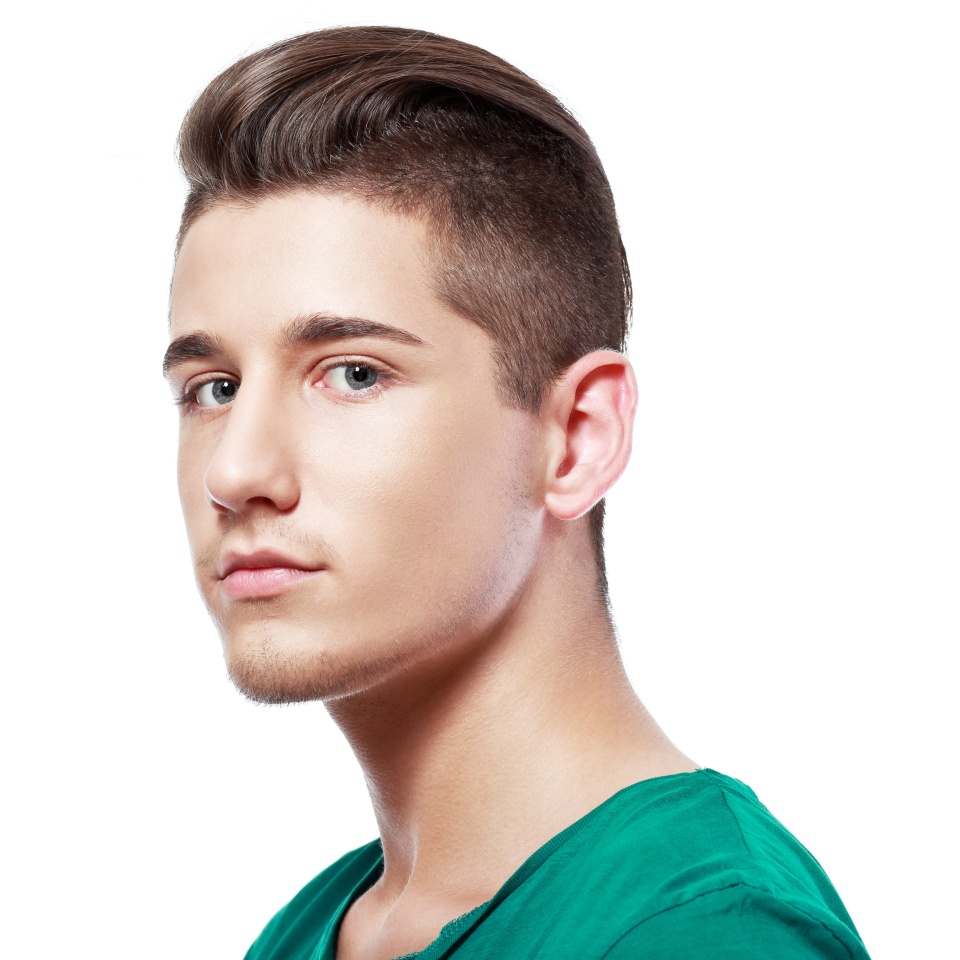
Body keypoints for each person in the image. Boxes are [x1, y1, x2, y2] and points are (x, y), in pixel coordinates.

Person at [164, 25, 870, 960]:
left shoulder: (704, 934)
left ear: (577, 438)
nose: (237, 471)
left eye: (354, 374)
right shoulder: (309, 931)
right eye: (213, 388)